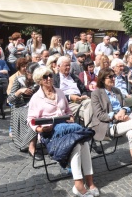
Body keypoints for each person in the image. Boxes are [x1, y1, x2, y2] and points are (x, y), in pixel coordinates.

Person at [28, 66, 99, 197]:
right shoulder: (36, 98)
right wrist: (40, 129)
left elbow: (68, 111)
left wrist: (70, 117)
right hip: (49, 133)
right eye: (45, 77)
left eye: (50, 75)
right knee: (77, 143)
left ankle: (89, 182)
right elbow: (31, 120)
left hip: (66, 127)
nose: (49, 78)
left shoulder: (60, 92)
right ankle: (79, 184)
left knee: (83, 143)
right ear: (39, 80)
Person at [8, 62, 41, 158]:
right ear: (27, 72)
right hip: (20, 107)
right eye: (32, 75)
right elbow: (10, 100)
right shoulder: (19, 80)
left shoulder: (38, 81)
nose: (33, 77)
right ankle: (32, 147)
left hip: (35, 105)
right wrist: (20, 91)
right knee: (33, 116)